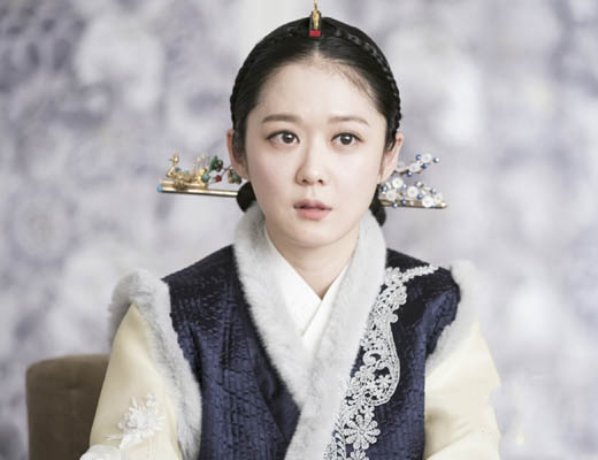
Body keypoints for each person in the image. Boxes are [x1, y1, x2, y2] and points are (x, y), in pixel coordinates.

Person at [80, 6, 501, 460]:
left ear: (388, 156)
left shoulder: (438, 310)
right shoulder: (168, 317)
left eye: (345, 139)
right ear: (238, 151)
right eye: (284, 137)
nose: (312, 171)